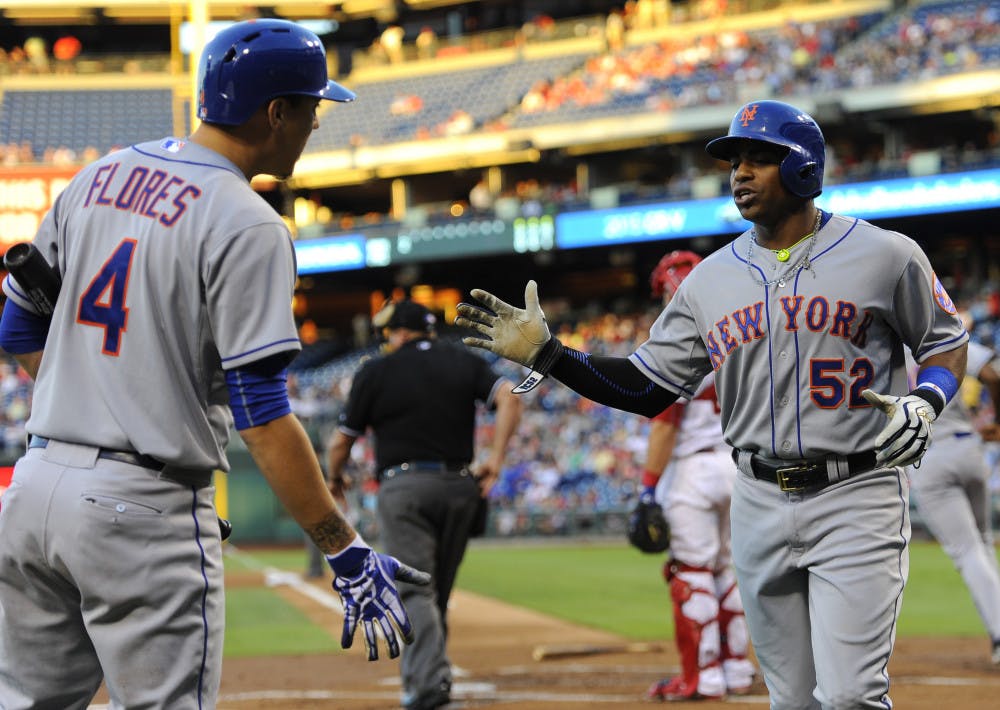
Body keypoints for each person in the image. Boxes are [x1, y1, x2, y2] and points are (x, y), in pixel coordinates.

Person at [456, 99, 969, 708]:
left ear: (804, 167)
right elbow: (647, 388)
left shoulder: (886, 254)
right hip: (755, 497)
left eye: (759, 158)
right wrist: (552, 357)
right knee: (791, 699)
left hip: (856, 493)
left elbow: (945, 343)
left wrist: (927, 399)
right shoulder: (709, 280)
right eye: (734, 161)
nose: (740, 173)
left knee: (852, 696)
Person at [0, 19, 428, 710]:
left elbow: (18, 321)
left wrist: (99, 406)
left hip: (35, 489)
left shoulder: (96, 177)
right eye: (312, 106)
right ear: (275, 112)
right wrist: (342, 547)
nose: (316, 122)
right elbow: (261, 415)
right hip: (141, 504)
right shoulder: (247, 221)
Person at [327, 299, 523, 710]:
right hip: (459, 486)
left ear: (398, 333)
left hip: (405, 488)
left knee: (416, 591)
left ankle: (428, 689)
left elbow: (341, 439)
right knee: (437, 592)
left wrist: (335, 476)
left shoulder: (376, 370)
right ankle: (432, 677)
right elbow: (510, 397)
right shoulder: (462, 360)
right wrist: (496, 459)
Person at [637, 250, 755, 701]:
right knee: (728, 569)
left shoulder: (676, 335)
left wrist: (648, 488)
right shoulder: (736, 329)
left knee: (692, 571)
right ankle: (737, 668)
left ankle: (701, 676)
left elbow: (665, 424)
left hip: (693, 468)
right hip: (737, 463)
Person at [906, 340, 1000, 665]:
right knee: (984, 544)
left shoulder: (878, 343)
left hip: (928, 457)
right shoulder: (936, 337)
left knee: (967, 551)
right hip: (967, 445)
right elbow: (992, 373)